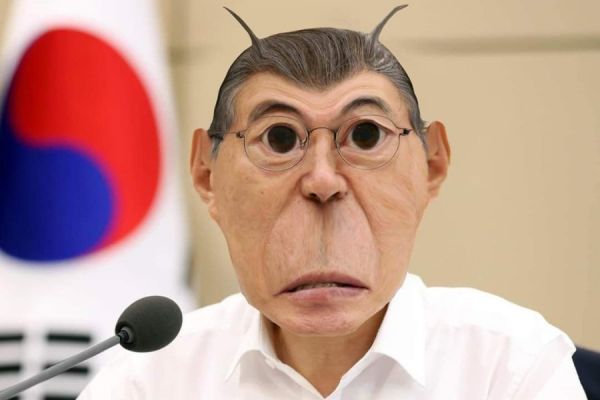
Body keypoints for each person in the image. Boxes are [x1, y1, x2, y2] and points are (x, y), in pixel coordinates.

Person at [78, 6, 586, 399]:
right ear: (206, 174)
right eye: (279, 138)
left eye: (365, 135)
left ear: (433, 164)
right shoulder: (149, 379)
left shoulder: (509, 365)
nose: (323, 180)